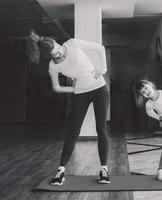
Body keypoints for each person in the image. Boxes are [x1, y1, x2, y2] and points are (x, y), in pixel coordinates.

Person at [27, 30, 110, 185]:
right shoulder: (53, 67)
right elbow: (57, 88)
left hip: (99, 88)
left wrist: (102, 68)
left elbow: (100, 48)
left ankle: (104, 170)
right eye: (55, 54)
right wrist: (74, 89)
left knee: (101, 128)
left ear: (57, 42)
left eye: (58, 48)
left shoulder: (72, 43)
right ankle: (60, 171)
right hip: (80, 93)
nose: (60, 53)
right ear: (50, 56)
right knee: (73, 131)